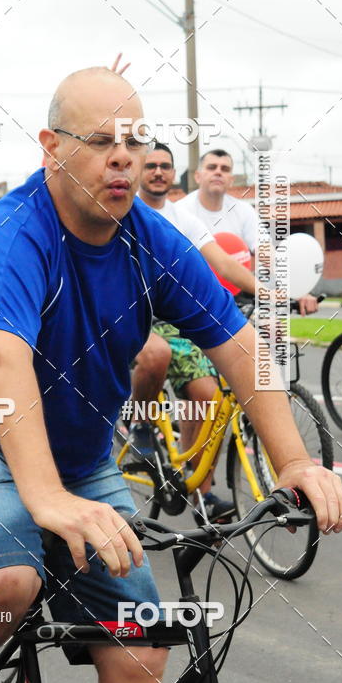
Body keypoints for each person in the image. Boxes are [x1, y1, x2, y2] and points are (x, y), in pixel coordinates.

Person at [0, 67, 342, 683]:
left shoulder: (151, 240)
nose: (124, 155)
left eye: (137, 140)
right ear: (51, 147)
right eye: (101, 139)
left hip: (83, 462)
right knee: (9, 581)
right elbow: (1, 359)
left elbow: (239, 346)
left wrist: (292, 461)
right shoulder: (12, 233)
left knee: (141, 644)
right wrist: (47, 496)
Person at [131, 142, 272, 521]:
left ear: (174, 175)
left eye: (165, 166)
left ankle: (199, 493)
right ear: (139, 171)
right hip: (131, 317)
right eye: (151, 165)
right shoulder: (126, 213)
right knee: (155, 355)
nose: (158, 172)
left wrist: (271, 292)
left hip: (176, 322)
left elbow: (224, 264)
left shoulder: (184, 220)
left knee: (208, 397)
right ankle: (140, 425)